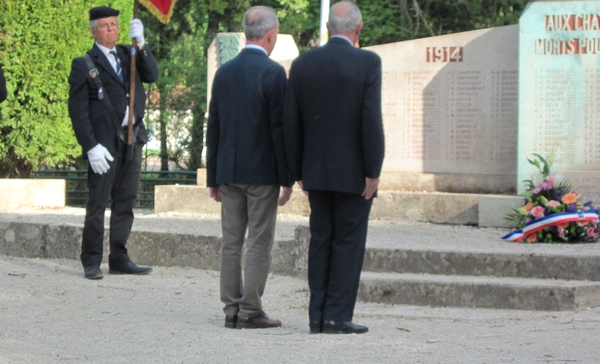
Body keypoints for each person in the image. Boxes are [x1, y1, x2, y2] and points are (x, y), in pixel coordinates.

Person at [283, 1, 385, 334]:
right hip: (355, 172)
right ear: (359, 28)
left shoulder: (303, 63)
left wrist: (298, 169)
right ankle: (337, 316)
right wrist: (373, 169)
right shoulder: (368, 62)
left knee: (321, 239)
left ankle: (317, 315)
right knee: (348, 242)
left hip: (316, 171)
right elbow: (370, 119)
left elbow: (292, 121)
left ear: (328, 28)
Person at [206, 6, 293, 330]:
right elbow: (278, 130)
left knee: (231, 241)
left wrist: (213, 177)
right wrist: (287, 178)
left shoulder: (224, 73)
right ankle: (251, 310)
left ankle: (231, 309)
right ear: (270, 35)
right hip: (262, 174)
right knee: (258, 241)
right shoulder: (273, 74)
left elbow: (213, 127)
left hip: (229, 172)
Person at [68, 6, 159, 280]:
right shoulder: (84, 64)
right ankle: (92, 260)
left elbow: (152, 75)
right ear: (93, 30)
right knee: (97, 203)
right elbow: (78, 112)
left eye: (115, 24)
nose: (112, 28)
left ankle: (119, 257)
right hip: (104, 144)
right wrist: (90, 146)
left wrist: (141, 44)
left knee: (126, 201)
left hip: (132, 139)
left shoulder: (129, 53)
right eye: (105, 25)